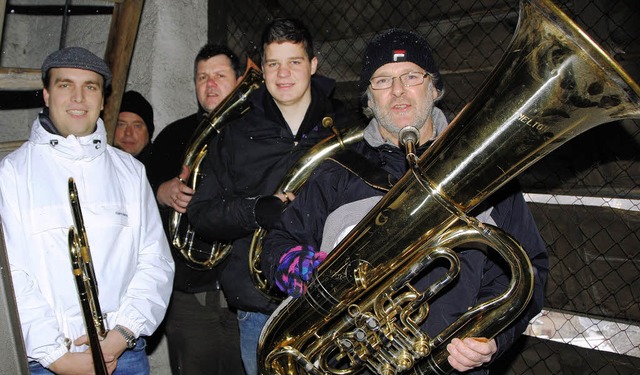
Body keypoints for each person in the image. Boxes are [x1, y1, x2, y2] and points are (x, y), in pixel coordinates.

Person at [261, 28, 549, 374]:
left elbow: (529, 269)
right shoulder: (337, 172)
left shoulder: (484, 170)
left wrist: (491, 337)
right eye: (382, 81)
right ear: (368, 98)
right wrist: (312, 274)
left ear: (434, 87)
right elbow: (277, 244)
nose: (398, 91)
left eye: (411, 76)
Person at [187, 18, 357, 375]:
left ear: (313, 64)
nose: (283, 73)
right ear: (261, 69)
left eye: (294, 61)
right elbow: (201, 214)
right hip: (260, 310)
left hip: (337, 306)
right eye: (273, 63)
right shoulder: (234, 133)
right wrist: (254, 211)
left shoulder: (348, 123)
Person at [0, 47, 174, 374]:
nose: (79, 97)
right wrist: (58, 358)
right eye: (66, 85)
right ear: (48, 95)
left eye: (90, 87)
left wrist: (121, 335)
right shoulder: (11, 173)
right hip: (44, 363)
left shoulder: (130, 172)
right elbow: (12, 278)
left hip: (124, 356)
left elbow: (156, 261)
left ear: (103, 100)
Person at [146, 44, 245, 374]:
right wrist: (161, 190)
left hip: (246, 294)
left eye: (220, 75)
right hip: (190, 296)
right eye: (202, 77)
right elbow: (139, 189)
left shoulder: (260, 132)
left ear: (240, 79)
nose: (210, 84)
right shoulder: (174, 135)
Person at [114, 90, 155, 166]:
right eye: (121, 125)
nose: (128, 133)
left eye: (137, 126)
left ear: (149, 132)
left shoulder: (164, 169)